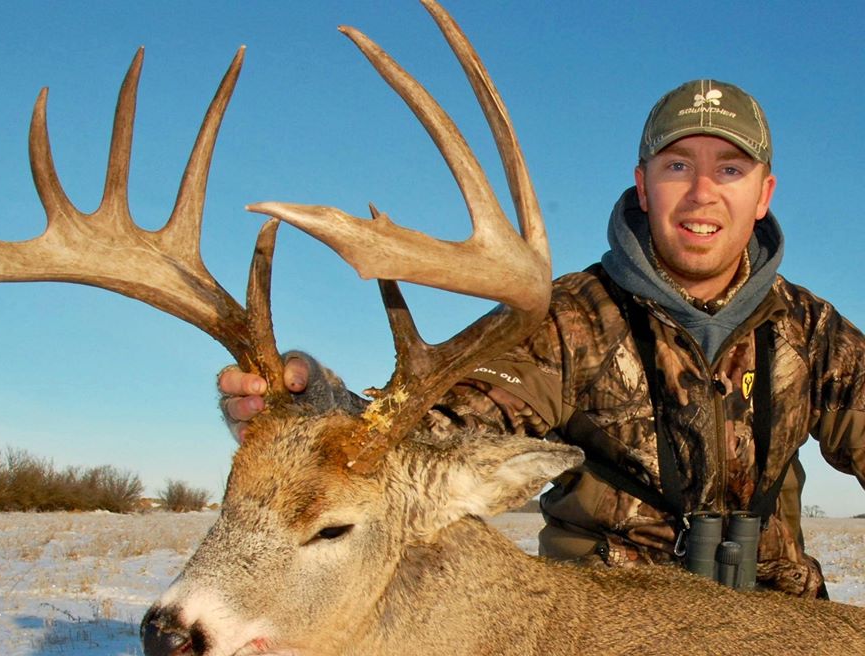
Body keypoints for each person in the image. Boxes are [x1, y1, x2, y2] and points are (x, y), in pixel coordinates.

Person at [220, 79, 865, 598]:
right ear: (643, 184)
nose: (701, 193)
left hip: (783, 643)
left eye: (729, 169)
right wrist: (310, 402)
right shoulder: (564, 319)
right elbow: (425, 438)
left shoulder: (809, 331)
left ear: (762, 194)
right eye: (677, 165)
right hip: (605, 651)